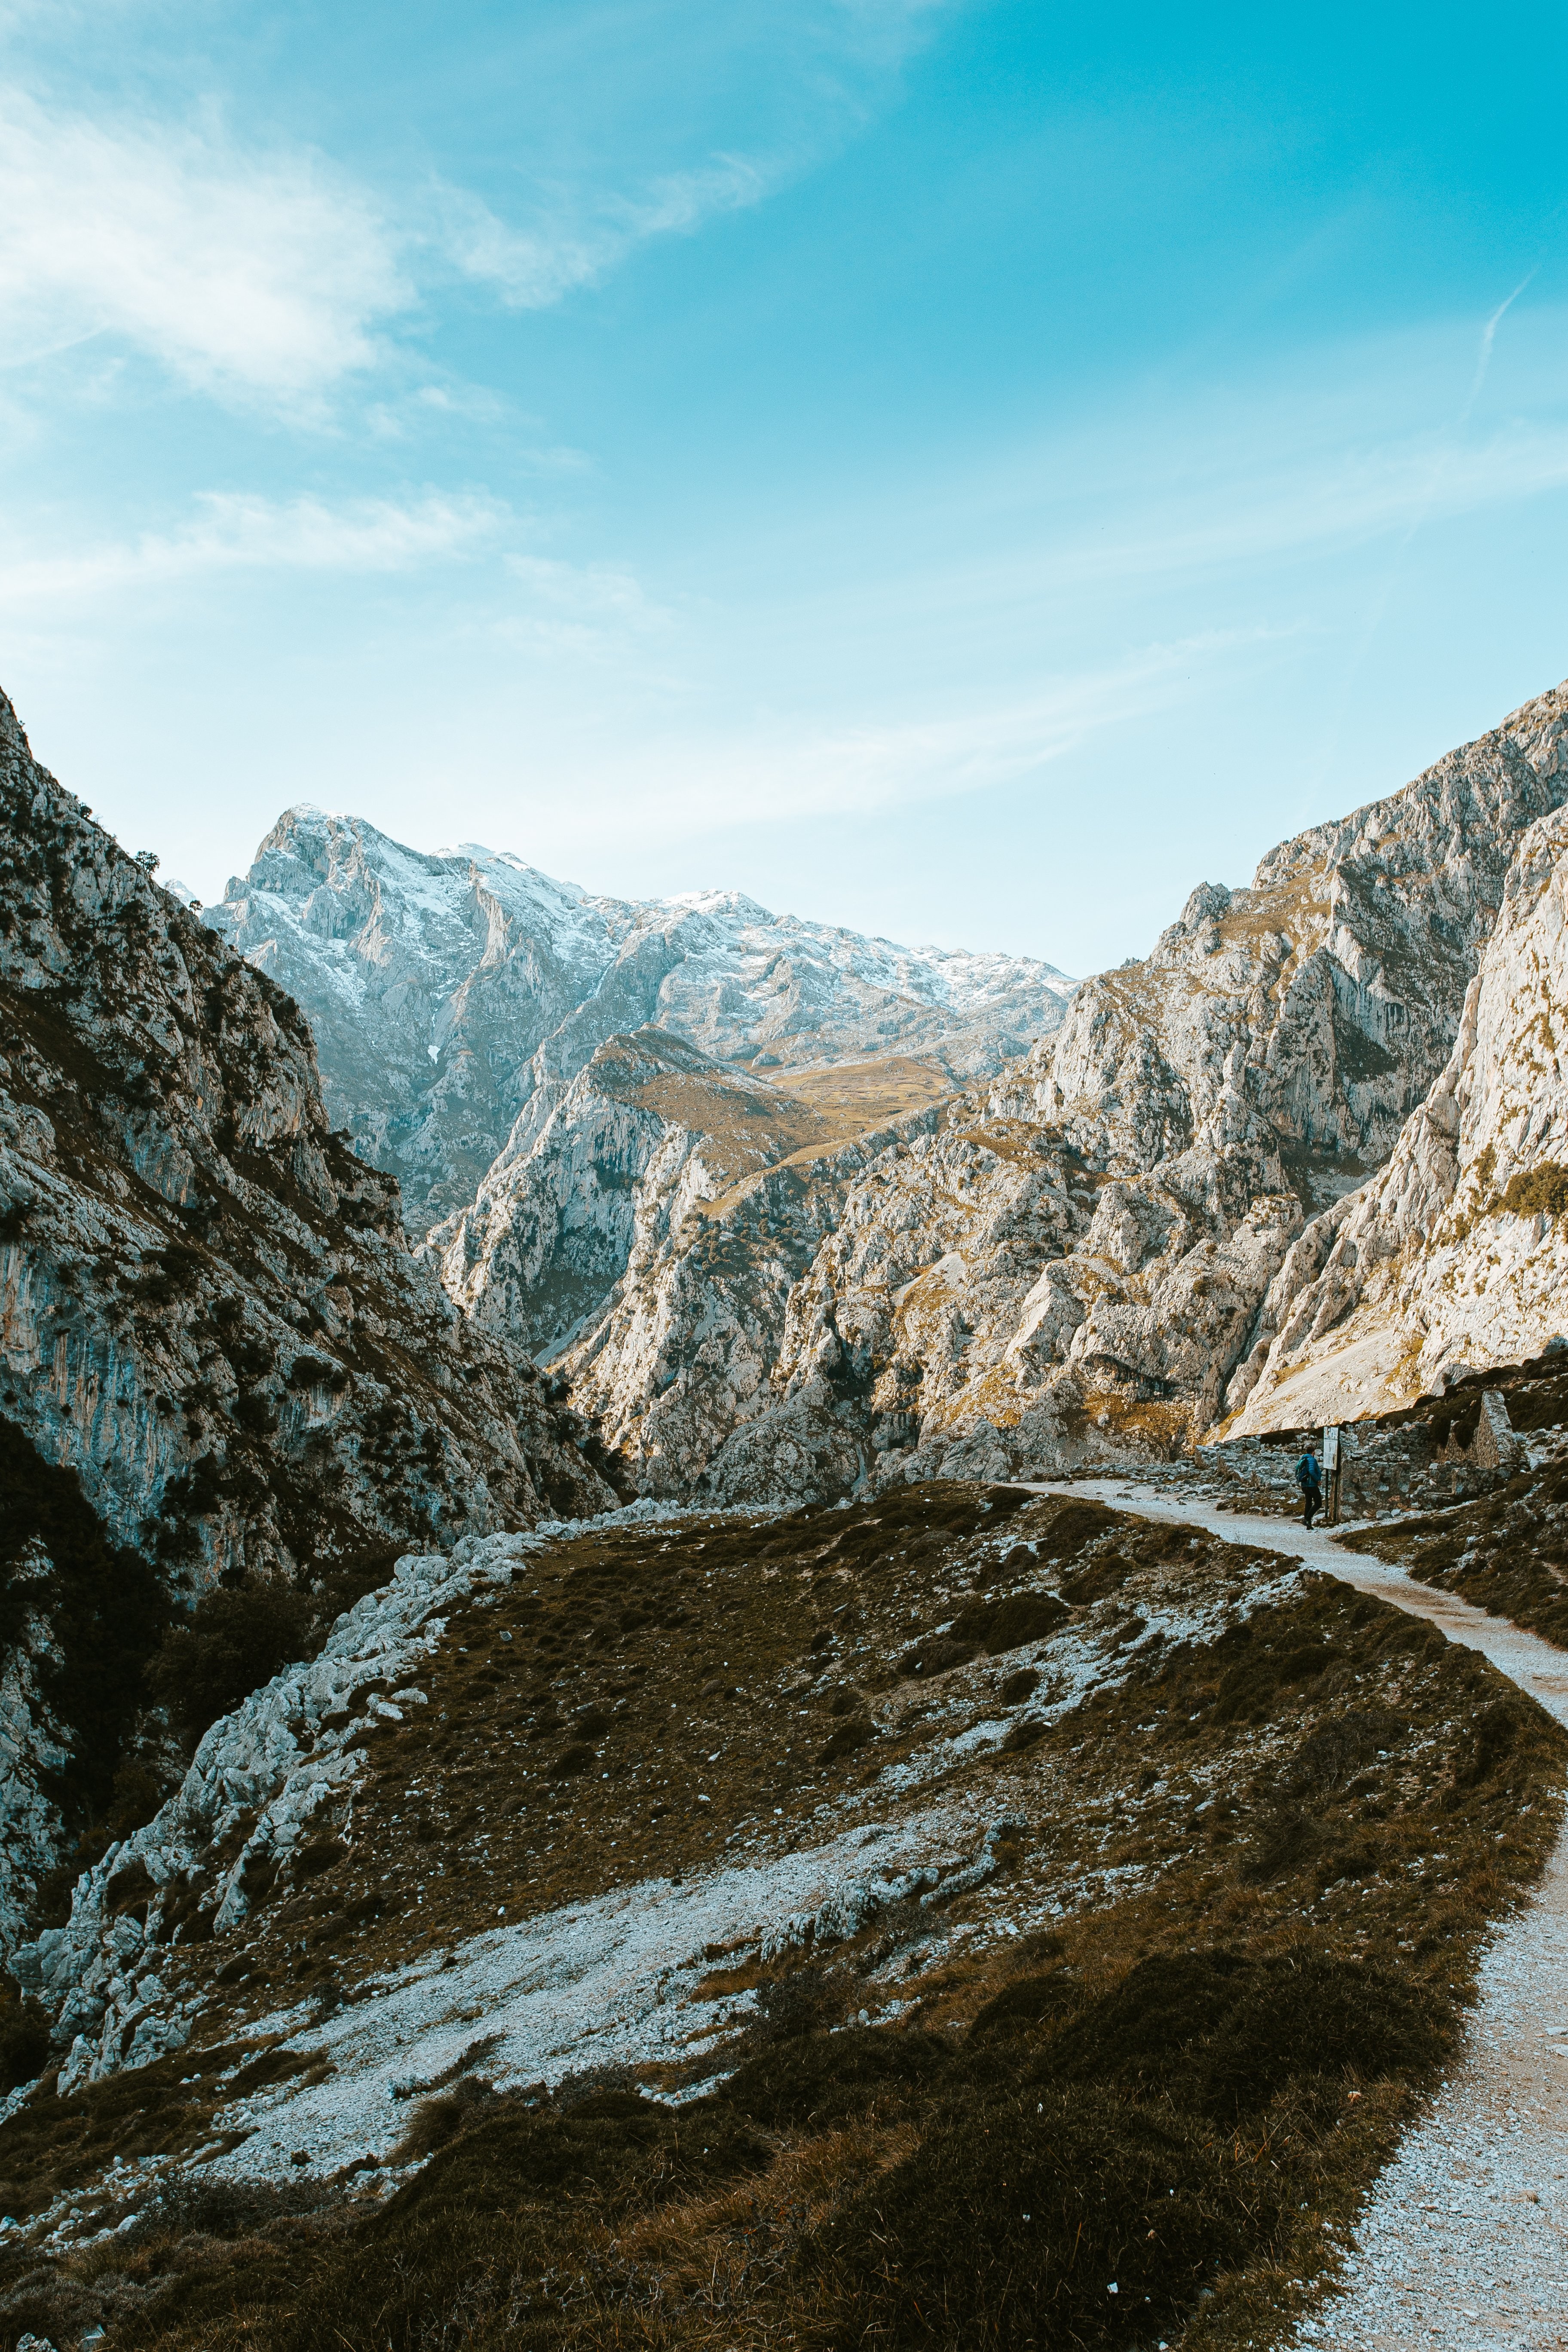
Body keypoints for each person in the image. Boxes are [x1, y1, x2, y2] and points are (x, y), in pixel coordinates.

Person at [1295, 1443, 1323, 1528]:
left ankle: (1308, 1524)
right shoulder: (1311, 1460)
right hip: (1311, 1485)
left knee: (1309, 1503)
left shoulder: (1303, 1459)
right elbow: (1311, 1471)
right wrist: (1318, 1480)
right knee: (1318, 1503)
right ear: (1313, 1453)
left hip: (1304, 1485)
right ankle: (1307, 1519)